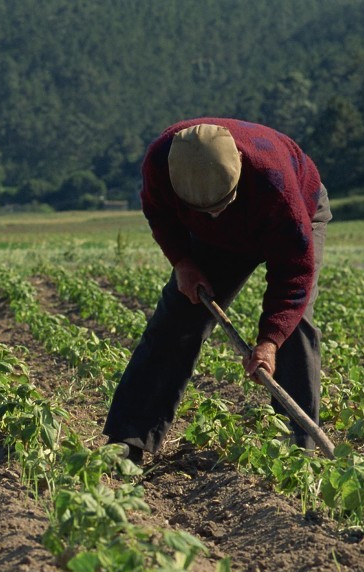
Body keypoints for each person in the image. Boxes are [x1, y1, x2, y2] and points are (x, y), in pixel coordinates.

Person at [104, 118, 332, 462]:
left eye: (220, 205)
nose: (213, 215)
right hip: (218, 242)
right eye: (204, 211)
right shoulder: (160, 163)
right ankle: (130, 438)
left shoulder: (276, 184)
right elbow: (159, 214)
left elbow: (294, 274)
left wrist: (269, 342)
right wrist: (183, 261)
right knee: (177, 319)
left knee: (294, 329)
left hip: (295, 212)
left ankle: (298, 451)